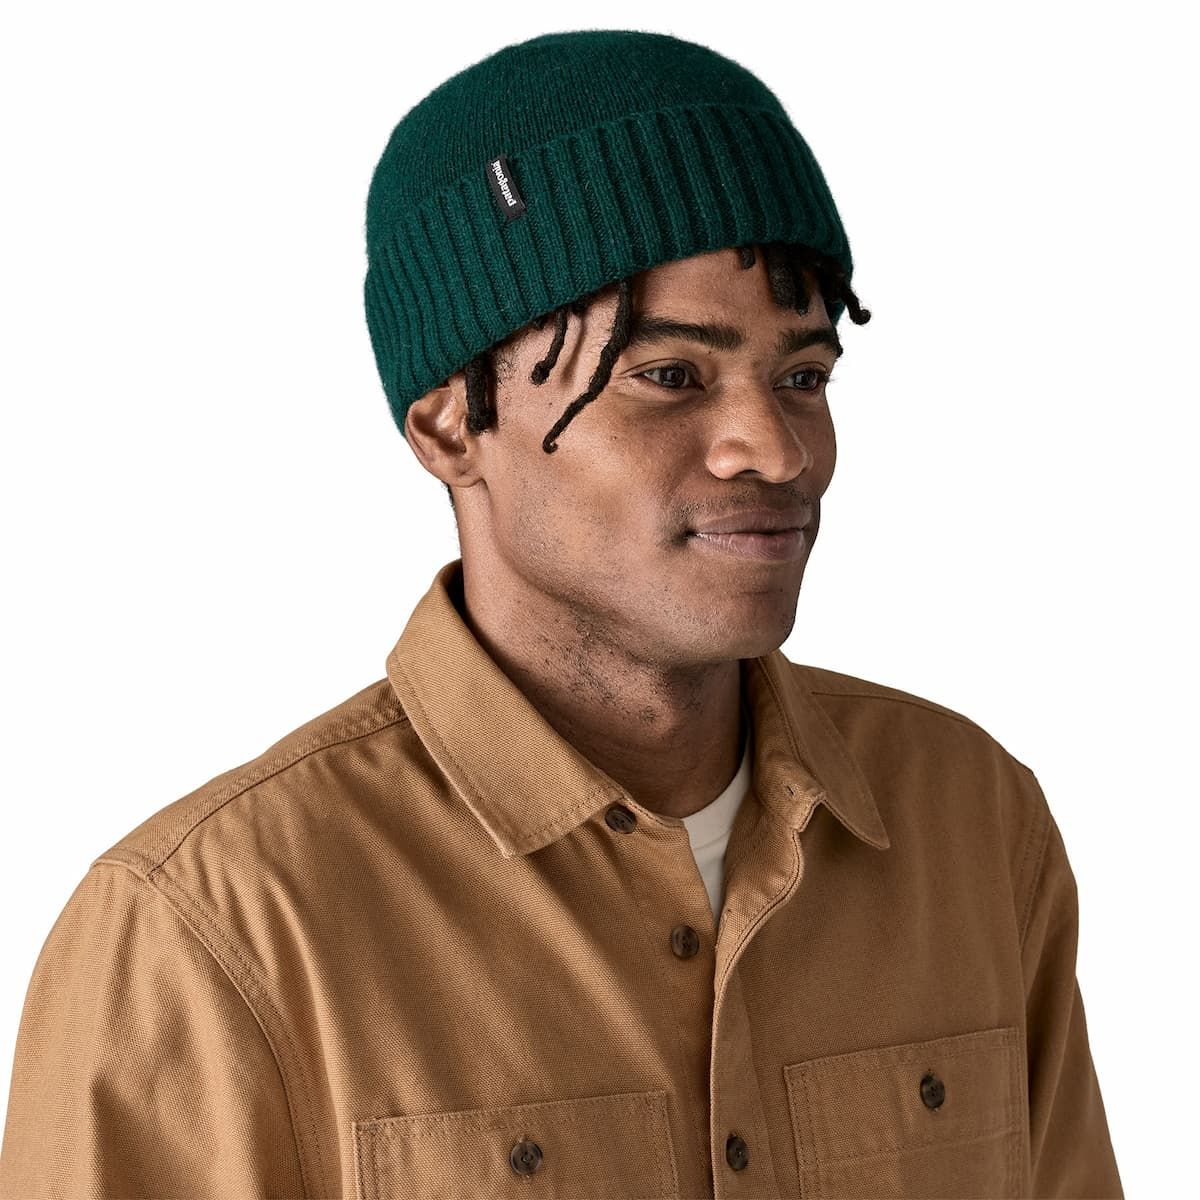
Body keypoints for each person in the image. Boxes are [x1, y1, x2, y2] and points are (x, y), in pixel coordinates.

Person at [0, 28, 1123, 1199]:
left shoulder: (972, 824)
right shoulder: (208, 931)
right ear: (449, 425)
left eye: (803, 376)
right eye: (669, 377)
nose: (776, 449)